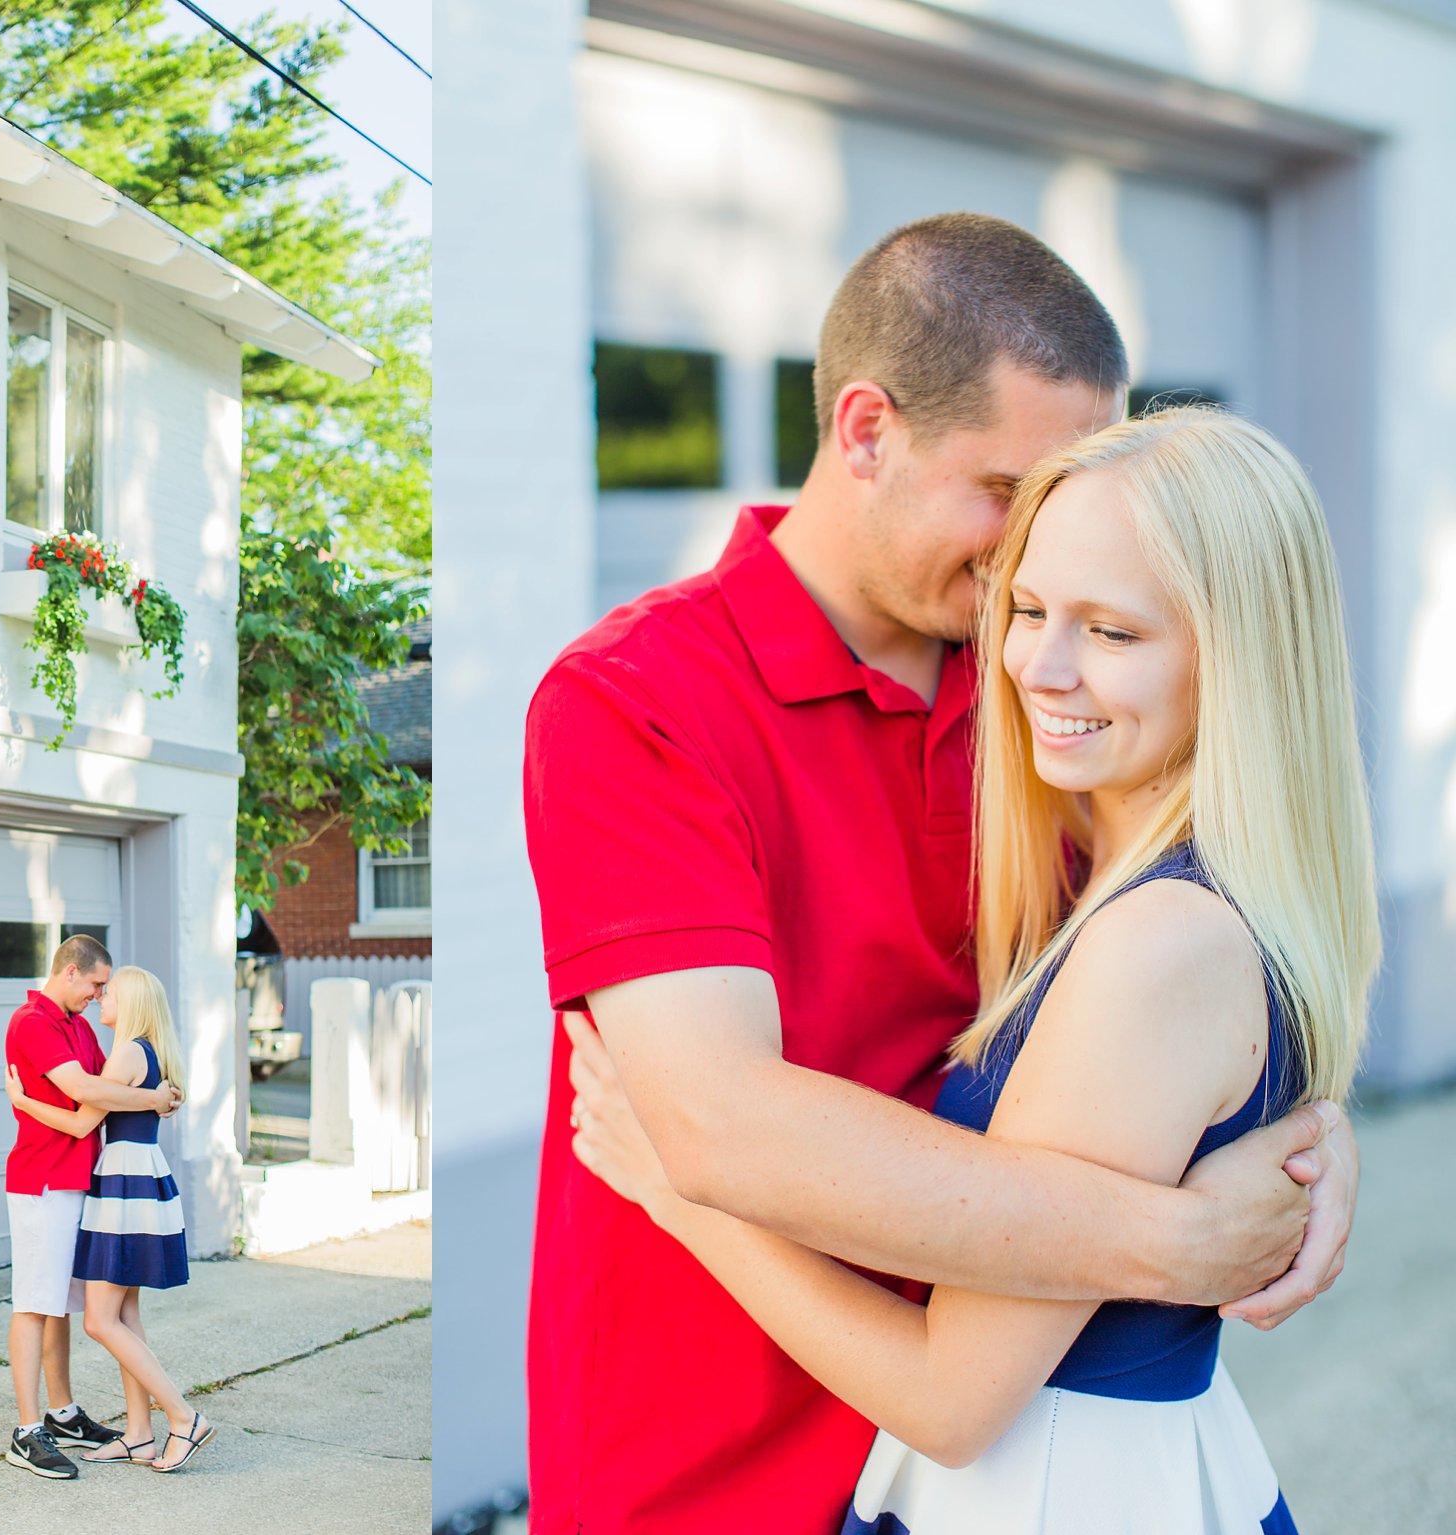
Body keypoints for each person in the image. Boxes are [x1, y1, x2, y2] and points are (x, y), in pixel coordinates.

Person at [520, 213, 1360, 1535]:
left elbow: (1171, 987)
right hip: (709, 1467)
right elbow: (715, 1125)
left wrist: (1298, 1137)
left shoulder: (1046, 697)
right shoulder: (636, 701)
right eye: (1007, 492)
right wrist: (1171, 1240)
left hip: (978, 1444)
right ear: (867, 431)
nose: (1038, 554)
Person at [7, 965, 211, 1473]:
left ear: (133, 1001)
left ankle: (183, 1417)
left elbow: (81, 1119)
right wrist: (156, 1099)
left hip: (122, 1184)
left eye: (110, 992)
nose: (101, 999)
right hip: (143, 1182)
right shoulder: (150, 1049)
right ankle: (139, 1435)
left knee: (100, 1320)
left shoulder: (124, 1054)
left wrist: (23, 1100)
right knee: (126, 1316)